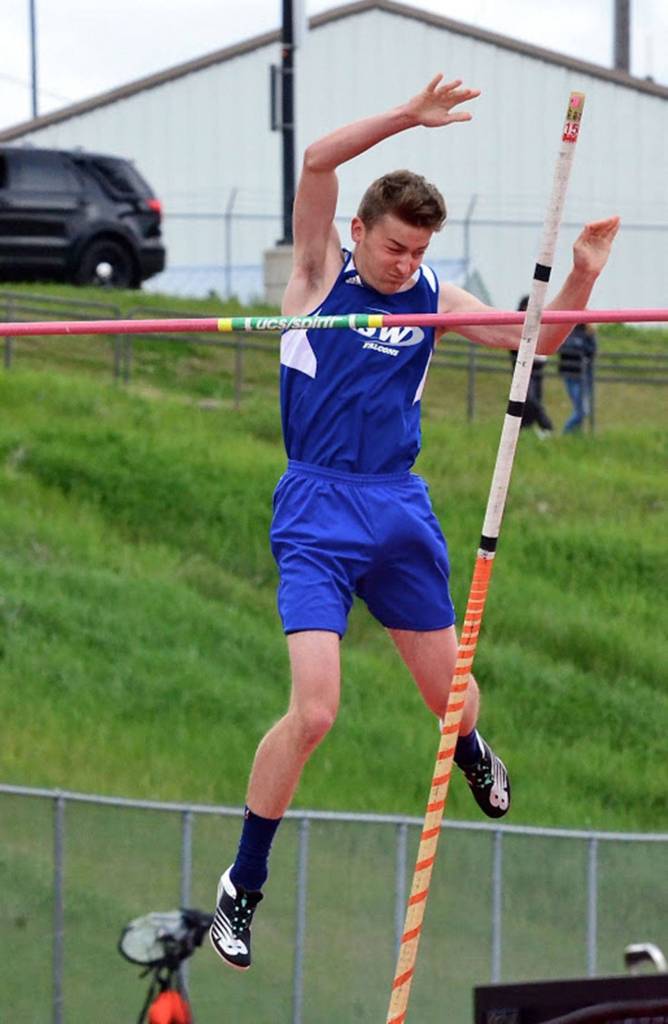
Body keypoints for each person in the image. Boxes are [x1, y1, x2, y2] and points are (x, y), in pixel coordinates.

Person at [209, 74, 620, 971]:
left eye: (418, 250)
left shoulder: (432, 293)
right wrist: (407, 116)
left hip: (397, 508)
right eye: (394, 246)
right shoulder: (317, 274)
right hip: (317, 509)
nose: (404, 264)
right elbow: (317, 161)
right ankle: (242, 886)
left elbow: (535, 341)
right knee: (315, 711)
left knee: (452, 700)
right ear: (358, 231)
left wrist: (584, 272)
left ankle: (469, 746)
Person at [510, 295, 554, 437]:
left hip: (538, 366)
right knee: (529, 398)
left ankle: (524, 427)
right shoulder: (518, 324)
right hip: (524, 366)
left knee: (533, 398)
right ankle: (545, 425)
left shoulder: (541, 322)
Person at [558, 321, 597, 433]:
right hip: (570, 374)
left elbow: (592, 351)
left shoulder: (588, 332)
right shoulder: (567, 330)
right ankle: (568, 432)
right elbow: (561, 349)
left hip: (583, 376)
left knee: (582, 409)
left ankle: (570, 432)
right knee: (581, 409)